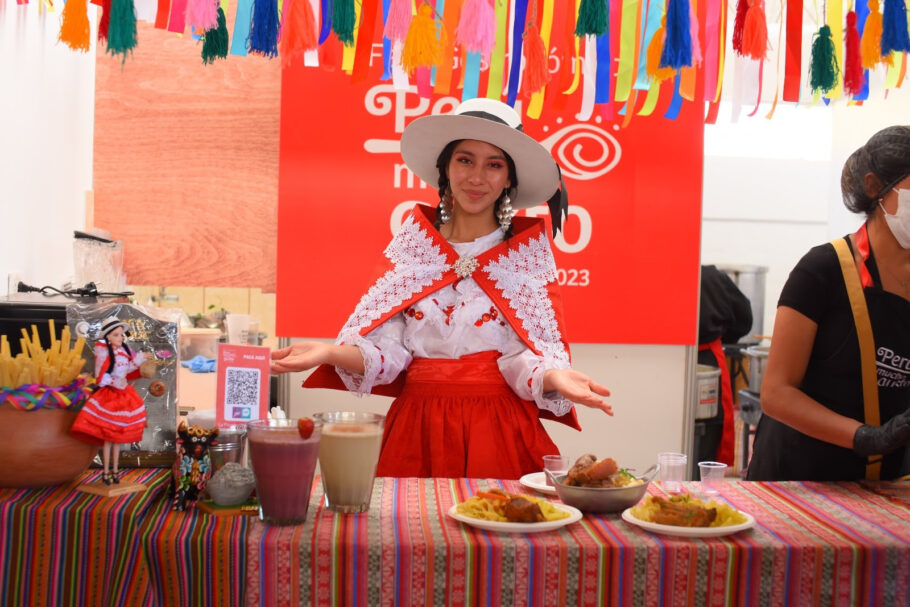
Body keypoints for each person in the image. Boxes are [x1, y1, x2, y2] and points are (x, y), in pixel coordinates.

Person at [271, 98, 613, 479]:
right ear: (445, 168)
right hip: (417, 429)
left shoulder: (523, 259)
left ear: (509, 179)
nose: (477, 177)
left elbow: (525, 360)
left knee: (499, 529)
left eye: (494, 165)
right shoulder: (415, 251)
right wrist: (327, 351)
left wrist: (555, 377)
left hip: (497, 430)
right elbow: (388, 355)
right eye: (465, 160)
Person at [748, 125, 910, 481]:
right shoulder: (823, 269)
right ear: (874, 188)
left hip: (887, 486)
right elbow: (776, 392)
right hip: (799, 479)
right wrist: (867, 437)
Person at [70, 316, 148, 485]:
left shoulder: (123, 353)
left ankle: (115, 471)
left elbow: (128, 369)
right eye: (116, 335)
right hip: (109, 396)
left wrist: (140, 359)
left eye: (121, 335)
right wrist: (114, 382)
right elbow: (101, 377)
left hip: (123, 393)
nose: (120, 338)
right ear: (107, 337)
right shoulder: (104, 354)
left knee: (117, 439)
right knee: (108, 439)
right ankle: (105, 472)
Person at [696, 265, 752, 467]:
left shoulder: (650, 273)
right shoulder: (712, 276)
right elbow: (744, 318)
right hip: (708, 361)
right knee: (706, 445)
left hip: (667, 364)